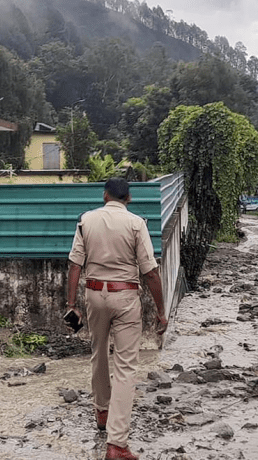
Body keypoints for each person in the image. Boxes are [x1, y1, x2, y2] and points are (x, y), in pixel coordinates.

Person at [66, 178, 167, 460]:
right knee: (125, 367)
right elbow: (150, 272)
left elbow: (75, 263)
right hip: (125, 297)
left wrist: (71, 304)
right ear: (129, 198)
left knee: (98, 353)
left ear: (105, 195)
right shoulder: (136, 223)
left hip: (94, 294)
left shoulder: (87, 220)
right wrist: (160, 310)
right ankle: (117, 444)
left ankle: (102, 411)